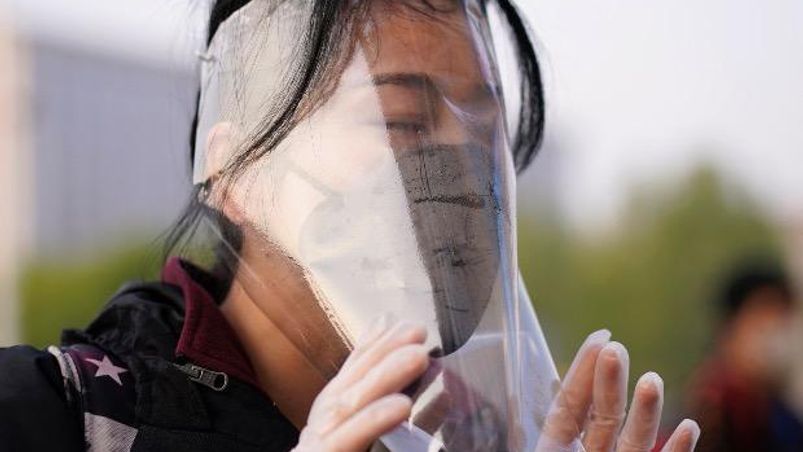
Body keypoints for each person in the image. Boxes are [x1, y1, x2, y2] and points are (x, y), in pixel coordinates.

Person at [0, 0, 700, 450]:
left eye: (481, 134)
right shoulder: (53, 418)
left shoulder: (465, 435)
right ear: (240, 171)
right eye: (400, 120)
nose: (456, 174)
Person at [688, 260, 803, 452]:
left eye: (782, 319)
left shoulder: (785, 422)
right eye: (762, 321)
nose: (775, 336)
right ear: (727, 330)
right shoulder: (704, 416)